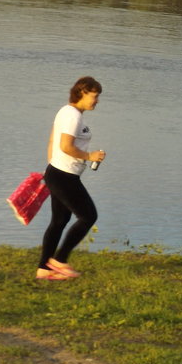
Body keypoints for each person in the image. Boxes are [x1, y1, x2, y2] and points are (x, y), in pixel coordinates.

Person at [37, 76, 106, 280]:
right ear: (82, 93)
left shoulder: (67, 112)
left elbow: (52, 140)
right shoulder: (72, 116)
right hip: (63, 176)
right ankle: (59, 261)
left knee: (59, 221)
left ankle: (43, 269)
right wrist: (89, 156)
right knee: (88, 216)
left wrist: (50, 166)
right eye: (94, 96)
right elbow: (65, 146)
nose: (96, 101)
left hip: (58, 172)